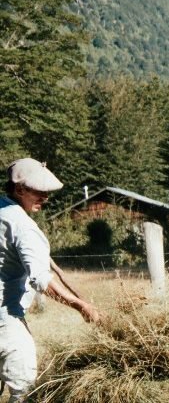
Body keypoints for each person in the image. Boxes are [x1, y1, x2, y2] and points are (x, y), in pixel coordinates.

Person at [1, 158, 101, 402]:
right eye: (39, 191)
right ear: (20, 189)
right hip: (4, 320)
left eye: (47, 192)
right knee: (25, 389)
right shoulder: (24, 227)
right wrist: (80, 305)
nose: (45, 197)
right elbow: (41, 280)